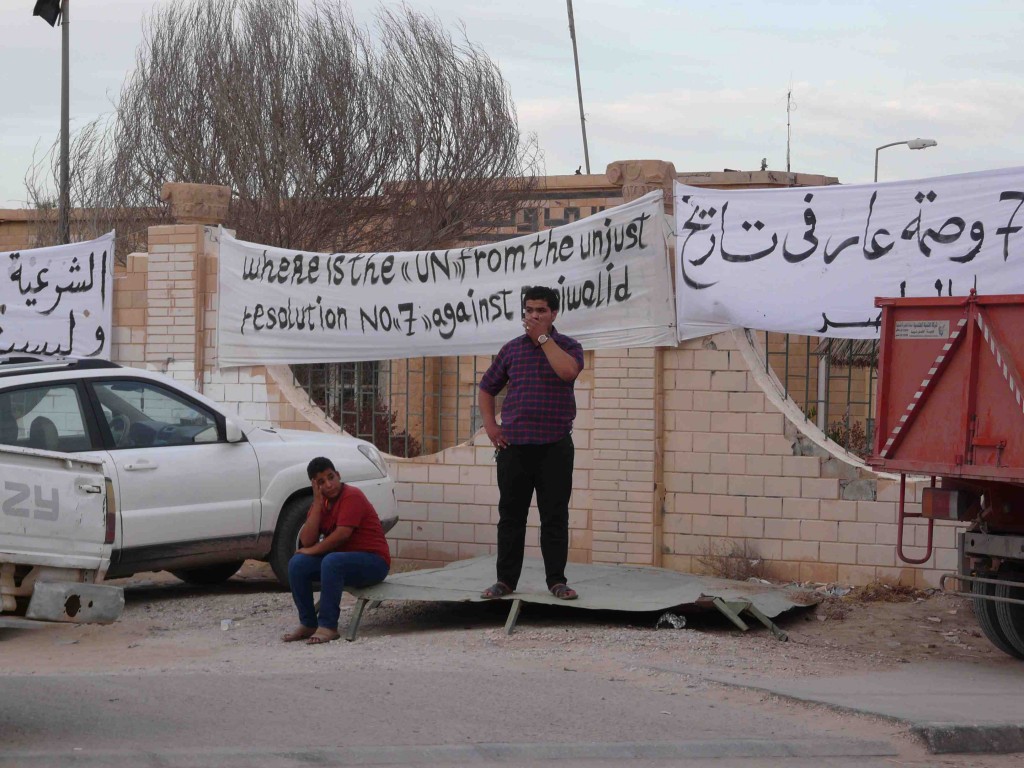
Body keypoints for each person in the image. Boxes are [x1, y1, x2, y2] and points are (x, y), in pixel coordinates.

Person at [478, 285, 584, 601]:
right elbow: (486, 388)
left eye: (540, 310)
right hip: (515, 448)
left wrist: (543, 338)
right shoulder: (511, 350)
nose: (534, 316)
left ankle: (556, 581)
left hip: (554, 446)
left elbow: (568, 373)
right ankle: (505, 581)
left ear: (553, 313)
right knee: (511, 516)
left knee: (554, 516)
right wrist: (491, 426)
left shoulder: (568, 346)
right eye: (529, 310)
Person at [282, 456, 391, 645]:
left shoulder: (352, 495)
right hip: (342, 563)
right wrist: (316, 503)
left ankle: (328, 626)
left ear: (338, 475)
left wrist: (313, 550)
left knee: (331, 561)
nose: (329, 485)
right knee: (297, 564)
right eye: (322, 482)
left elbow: (342, 534)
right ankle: (308, 623)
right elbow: (307, 540)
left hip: (374, 563)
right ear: (315, 485)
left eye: (331, 477)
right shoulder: (321, 503)